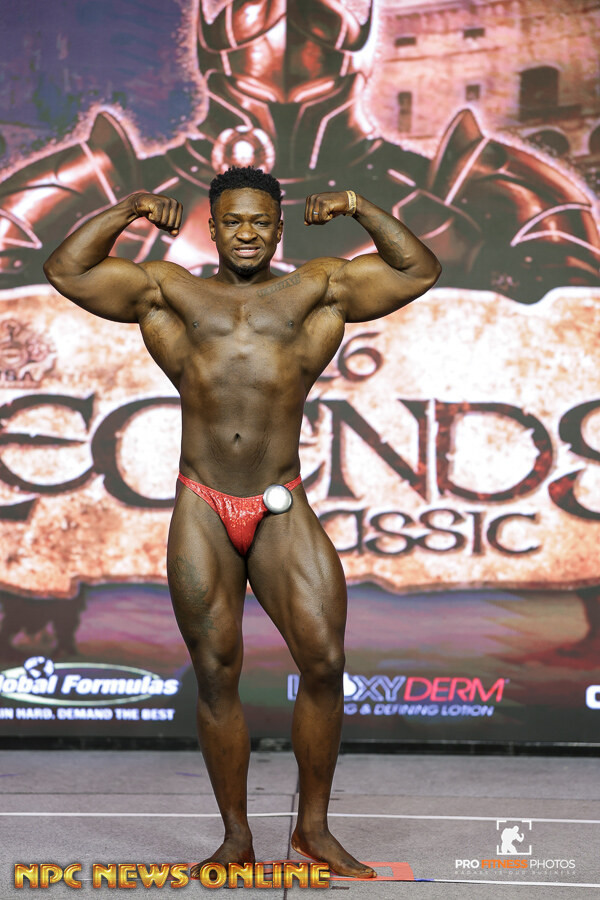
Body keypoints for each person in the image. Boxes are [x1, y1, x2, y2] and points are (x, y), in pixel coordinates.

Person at [43, 165, 441, 879]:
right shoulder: (170, 292)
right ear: (213, 227)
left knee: (325, 661)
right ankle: (236, 838)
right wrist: (130, 207)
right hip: (203, 503)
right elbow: (67, 271)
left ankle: (313, 829)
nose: (247, 233)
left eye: (260, 221)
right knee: (216, 671)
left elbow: (418, 270)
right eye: (233, 221)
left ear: (279, 226)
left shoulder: (317, 288)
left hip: (280, 500)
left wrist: (358, 205)